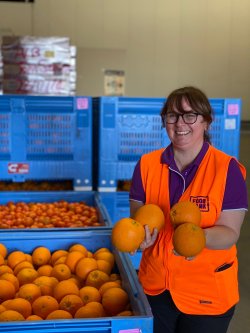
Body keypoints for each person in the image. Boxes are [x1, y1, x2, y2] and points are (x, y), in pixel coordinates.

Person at [129, 86, 248, 333]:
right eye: (172, 116)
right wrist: (140, 240)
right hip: (156, 289)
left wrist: (198, 239)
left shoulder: (227, 170)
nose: (180, 123)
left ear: (206, 122)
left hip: (207, 294)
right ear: (165, 122)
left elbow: (230, 232)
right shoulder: (146, 165)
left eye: (190, 115)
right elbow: (136, 222)